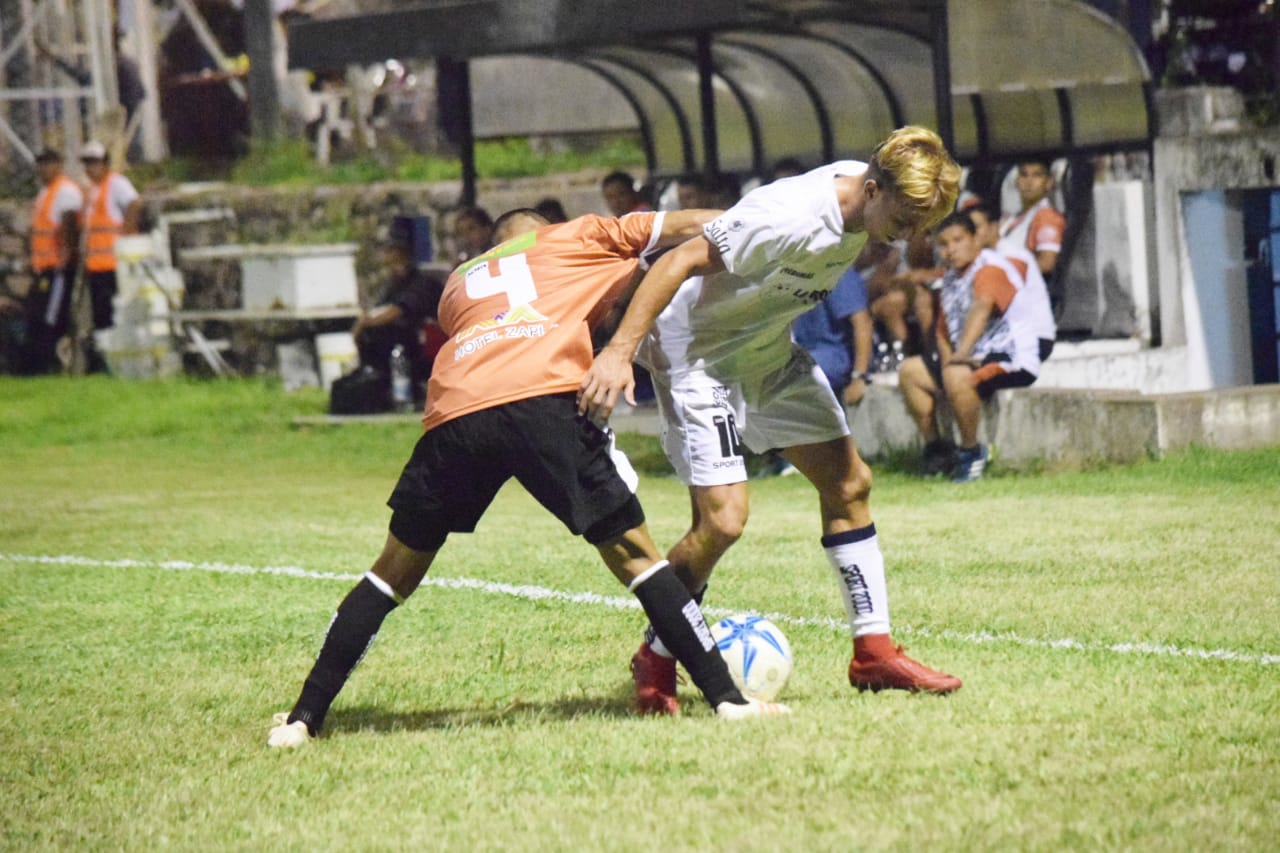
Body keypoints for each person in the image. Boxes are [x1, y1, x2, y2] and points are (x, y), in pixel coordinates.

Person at [268, 207, 789, 748]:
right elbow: (689, 225)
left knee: (390, 573)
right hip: (543, 401)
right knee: (638, 558)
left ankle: (303, 718)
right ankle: (728, 701)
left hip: (458, 413)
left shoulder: (458, 282)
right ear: (544, 228)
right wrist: (778, 214)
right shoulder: (579, 235)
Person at [579, 126, 965, 716]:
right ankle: (656, 657)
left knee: (849, 485)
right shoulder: (790, 215)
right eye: (905, 221)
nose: (909, 236)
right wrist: (617, 351)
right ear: (872, 189)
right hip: (698, 357)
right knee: (723, 522)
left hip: (766, 351)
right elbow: (677, 260)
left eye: (921, 226)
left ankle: (874, 653)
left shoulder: (867, 205)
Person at [897, 211, 1056, 482]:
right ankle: (937, 449)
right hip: (973, 356)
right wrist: (947, 361)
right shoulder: (951, 277)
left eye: (958, 240)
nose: (950, 250)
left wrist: (959, 357)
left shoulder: (991, 267)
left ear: (974, 240)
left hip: (1011, 357)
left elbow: (982, 308)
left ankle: (971, 451)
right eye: (943, 244)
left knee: (956, 374)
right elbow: (944, 329)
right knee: (910, 371)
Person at [350, 229, 447, 400]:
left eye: (396, 262)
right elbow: (380, 308)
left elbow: (398, 310)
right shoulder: (393, 287)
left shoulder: (422, 283)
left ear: (407, 260)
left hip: (431, 343)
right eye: (387, 265)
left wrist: (366, 322)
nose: (392, 269)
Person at [80, 140, 144, 371]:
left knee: (113, 314)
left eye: (95, 162)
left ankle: (115, 360)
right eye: (87, 163)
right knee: (101, 316)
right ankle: (106, 359)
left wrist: (125, 236)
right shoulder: (93, 190)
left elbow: (134, 203)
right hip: (97, 265)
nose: (90, 168)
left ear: (105, 163)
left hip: (114, 264)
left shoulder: (116, 183)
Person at [23, 148, 83, 374]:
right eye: (41, 164)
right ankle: (37, 364)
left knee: (51, 317)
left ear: (59, 164)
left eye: (48, 163)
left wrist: (65, 260)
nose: (43, 168)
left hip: (57, 267)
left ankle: (49, 363)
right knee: (37, 313)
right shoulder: (45, 192)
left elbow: (69, 227)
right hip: (43, 266)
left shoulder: (65, 191)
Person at [792, 266, 874, 407]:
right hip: (801, 350)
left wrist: (859, 377)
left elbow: (862, 323)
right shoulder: (793, 274)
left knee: (791, 376)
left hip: (835, 355)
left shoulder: (839, 273)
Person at [997, 159, 1065, 283]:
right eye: (1024, 175)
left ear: (1048, 182)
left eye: (1037, 175)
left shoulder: (1047, 217)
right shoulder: (1016, 217)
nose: (1029, 182)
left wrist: (1006, 274)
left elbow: (1047, 263)